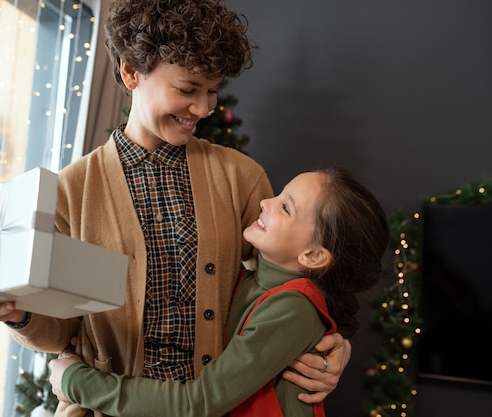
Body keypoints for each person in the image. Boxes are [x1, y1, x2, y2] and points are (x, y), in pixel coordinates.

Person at [0, 1, 351, 415]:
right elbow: (61, 333)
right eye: (187, 89)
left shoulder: (241, 177)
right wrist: (18, 315)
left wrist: (330, 344)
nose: (203, 107)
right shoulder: (71, 191)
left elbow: (284, 282)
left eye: (212, 90)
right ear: (130, 73)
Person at [48, 167, 389, 417]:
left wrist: (78, 382)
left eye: (285, 207)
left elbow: (200, 401)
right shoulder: (253, 279)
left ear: (313, 256)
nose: (266, 202)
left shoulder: (292, 308)